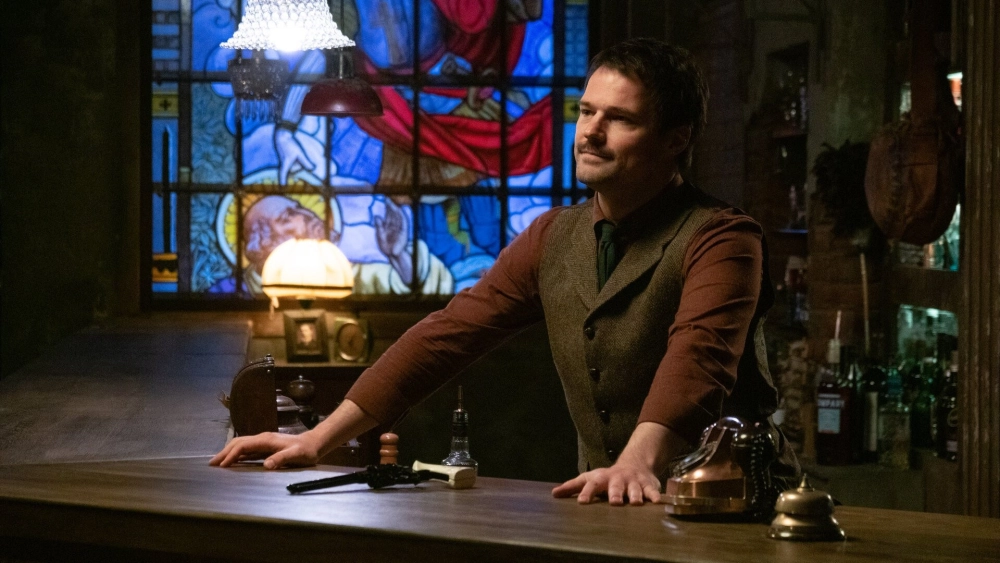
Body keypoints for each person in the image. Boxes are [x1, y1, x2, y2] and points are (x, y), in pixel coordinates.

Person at [212, 38, 799, 506]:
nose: (590, 132)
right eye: (586, 111)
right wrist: (319, 439)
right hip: (611, 502)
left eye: (620, 118)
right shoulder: (553, 236)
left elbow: (699, 355)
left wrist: (638, 461)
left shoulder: (723, 238)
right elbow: (447, 335)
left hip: (733, 504)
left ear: (677, 139)